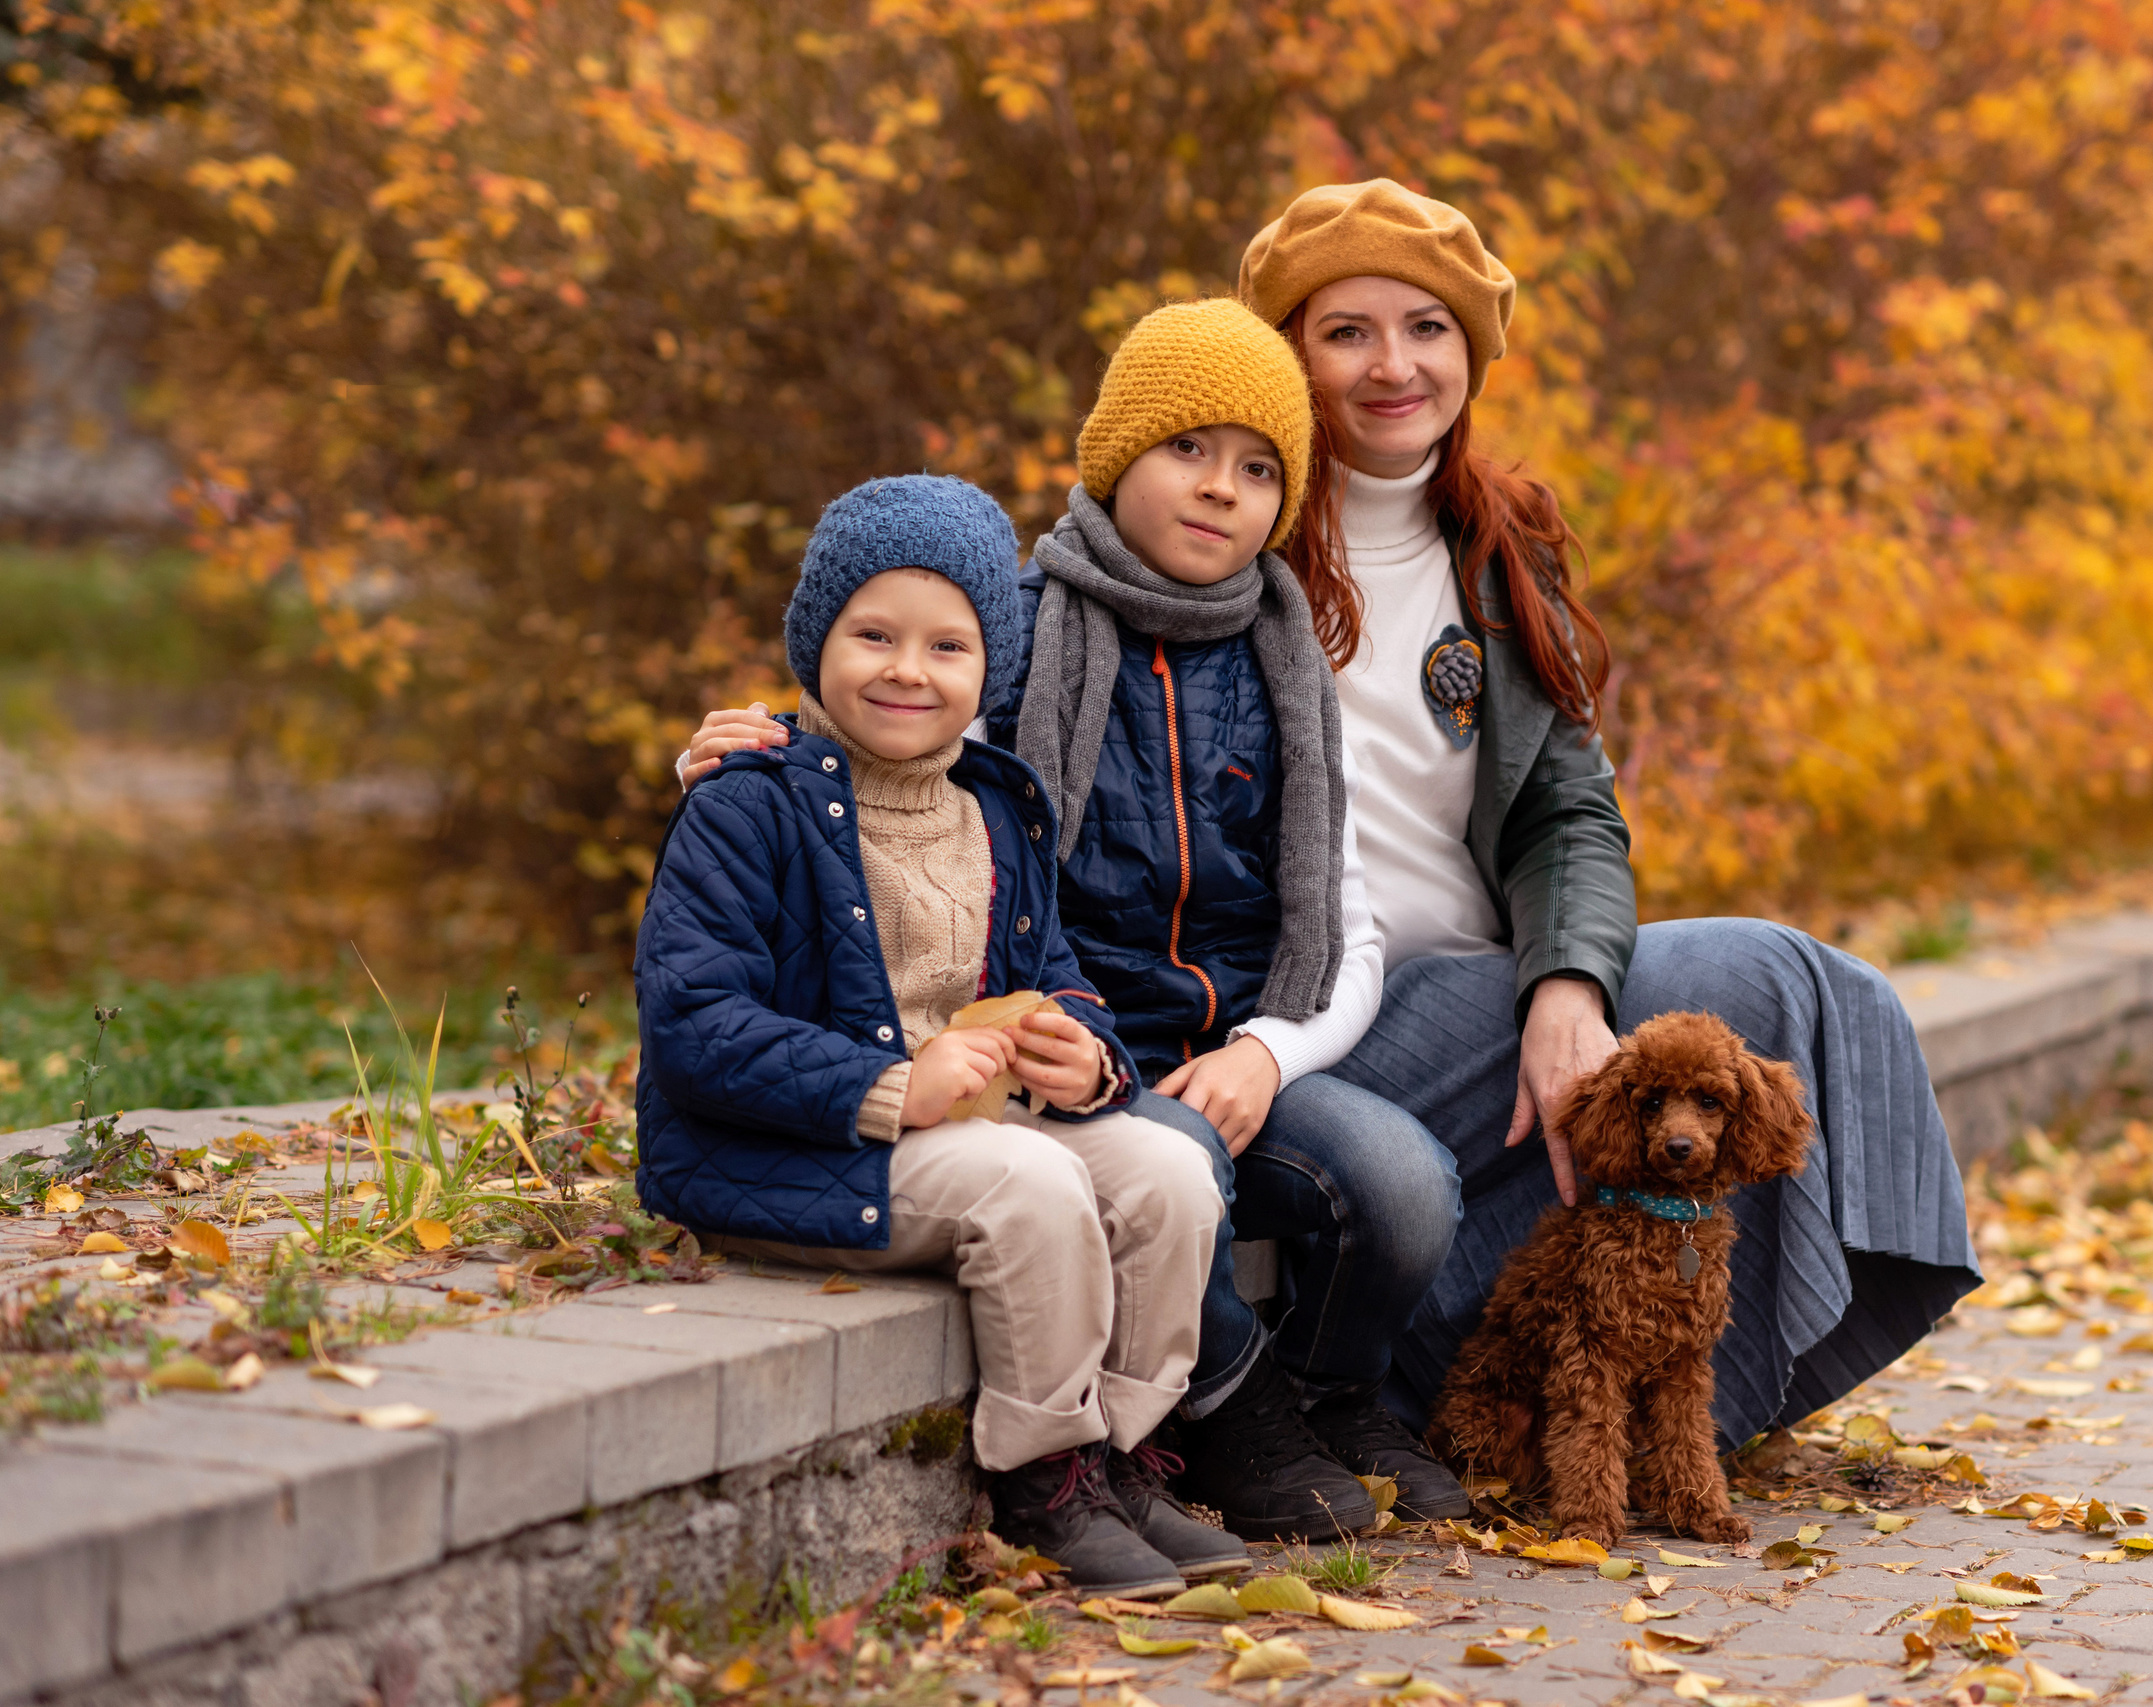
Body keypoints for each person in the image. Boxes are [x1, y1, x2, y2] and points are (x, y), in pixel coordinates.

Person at [680, 183, 1981, 1451]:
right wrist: (782, 743)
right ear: (1284, 358)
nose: (1391, 364)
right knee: (1404, 1153)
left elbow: (1565, 807)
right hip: (1273, 1005)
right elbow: (949, 684)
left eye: (1426, 329)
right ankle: (1362, 1398)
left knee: (1781, 972)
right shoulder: (1219, 542)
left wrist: (1570, 981)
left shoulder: (1497, 545)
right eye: (1345, 330)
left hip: (1458, 987)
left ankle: (1697, 1390)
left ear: (1470, 355)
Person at [635, 473, 1239, 1596]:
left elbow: (1057, 976)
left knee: (1163, 1167)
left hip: (974, 1121)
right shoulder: (749, 799)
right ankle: (1044, 1477)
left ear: (989, 671)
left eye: (947, 647)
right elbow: (695, 1027)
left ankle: (1129, 1453)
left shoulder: (995, 805)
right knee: (1028, 1184)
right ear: (816, 641)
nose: (907, 670)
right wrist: (890, 1085)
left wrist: (1084, 1053)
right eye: (873, 634)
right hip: (808, 1144)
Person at [983, 298, 1469, 1537]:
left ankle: (1331, 1393)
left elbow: (1347, 932)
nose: (1220, 491)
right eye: (1186, 449)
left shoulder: (1285, 661)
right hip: (1082, 1048)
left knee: (1405, 1186)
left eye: (1259, 469)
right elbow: (884, 715)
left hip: (1237, 1049)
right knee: (1178, 1163)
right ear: (1116, 457)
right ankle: (1231, 1410)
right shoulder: (1020, 630)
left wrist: (1268, 1053)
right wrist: (766, 745)